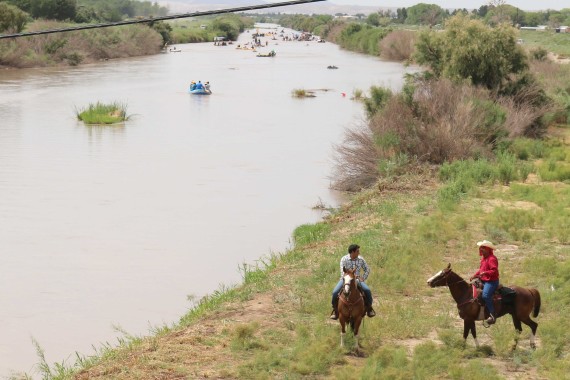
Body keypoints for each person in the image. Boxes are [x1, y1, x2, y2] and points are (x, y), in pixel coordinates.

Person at [330, 244, 376, 320]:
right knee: (335, 292)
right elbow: (342, 272)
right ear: (352, 252)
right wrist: (347, 277)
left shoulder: (361, 259)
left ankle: (369, 309)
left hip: (357, 279)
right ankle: (335, 310)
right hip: (346, 279)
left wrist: (363, 278)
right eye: (357, 251)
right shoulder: (344, 259)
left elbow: (367, 269)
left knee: (367, 290)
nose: (359, 253)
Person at [469, 240, 499, 325]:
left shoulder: (492, 259)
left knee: (485, 295)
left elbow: (494, 270)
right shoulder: (484, 259)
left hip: (491, 281)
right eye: (481, 248)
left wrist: (485, 273)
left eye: (483, 248)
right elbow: (481, 270)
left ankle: (492, 314)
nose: (481, 249)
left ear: (488, 249)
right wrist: (474, 275)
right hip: (484, 280)